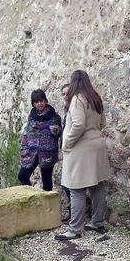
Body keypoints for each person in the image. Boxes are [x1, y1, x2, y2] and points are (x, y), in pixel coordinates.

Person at [55, 70, 112, 241]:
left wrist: (67, 143)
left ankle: (75, 229)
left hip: (81, 148)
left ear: (74, 82)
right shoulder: (95, 98)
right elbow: (102, 123)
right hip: (97, 145)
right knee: (97, 185)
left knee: (76, 187)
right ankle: (98, 222)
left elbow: (78, 125)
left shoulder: (77, 99)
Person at [18, 89, 62, 191]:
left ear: (45, 101)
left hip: (47, 153)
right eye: (36, 102)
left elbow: (59, 133)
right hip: (31, 153)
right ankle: (31, 197)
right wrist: (23, 148)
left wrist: (55, 130)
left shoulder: (54, 117)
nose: (39, 104)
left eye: (41, 101)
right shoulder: (32, 117)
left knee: (47, 182)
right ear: (33, 104)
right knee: (22, 176)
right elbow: (27, 133)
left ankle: (47, 205)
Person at [59, 83, 72, 222]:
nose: (65, 95)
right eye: (63, 93)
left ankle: (74, 213)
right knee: (65, 183)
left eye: (67, 92)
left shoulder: (76, 108)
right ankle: (72, 210)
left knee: (69, 184)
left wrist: (67, 143)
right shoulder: (66, 109)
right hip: (67, 150)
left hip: (73, 150)